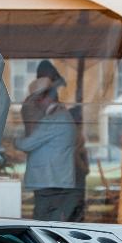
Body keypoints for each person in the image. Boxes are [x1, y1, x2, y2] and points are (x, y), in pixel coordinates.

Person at [17, 60, 82, 221]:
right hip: (51, 178)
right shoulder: (55, 115)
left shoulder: (55, 118)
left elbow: (28, 143)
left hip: (50, 179)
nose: (37, 102)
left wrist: (13, 140)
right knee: (48, 222)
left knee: (43, 223)